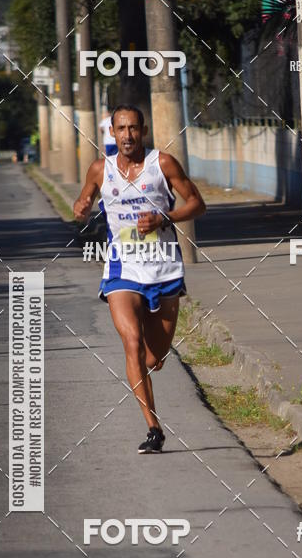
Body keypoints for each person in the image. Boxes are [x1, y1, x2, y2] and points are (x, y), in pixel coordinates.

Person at [73, 104, 206, 454]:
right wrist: (81, 207)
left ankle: (148, 364)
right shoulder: (100, 169)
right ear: (112, 133)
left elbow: (198, 204)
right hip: (122, 269)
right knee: (131, 342)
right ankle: (153, 428)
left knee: (153, 358)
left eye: (133, 128)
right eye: (121, 129)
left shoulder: (163, 164)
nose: (127, 135)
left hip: (163, 269)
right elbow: (84, 199)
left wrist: (165, 218)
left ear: (143, 131)